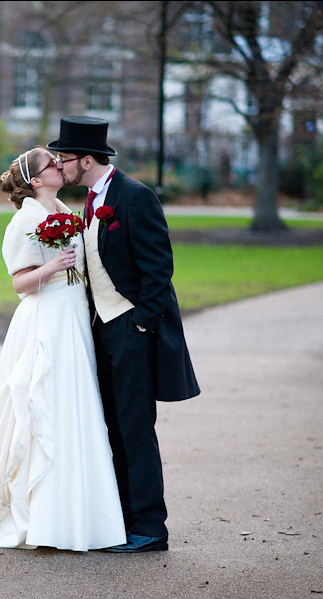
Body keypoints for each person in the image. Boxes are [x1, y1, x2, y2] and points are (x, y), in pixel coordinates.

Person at [48, 116, 201, 553]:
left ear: (88, 160)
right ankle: (120, 522)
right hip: (102, 331)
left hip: (131, 330)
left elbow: (159, 269)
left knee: (135, 430)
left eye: (65, 158)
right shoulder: (90, 202)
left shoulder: (135, 197)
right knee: (110, 429)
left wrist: (140, 324)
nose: (61, 165)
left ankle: (150, 528)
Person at [0, 147, 127, 552]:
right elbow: (21, 283)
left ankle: (83, 517)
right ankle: (44, 518)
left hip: (73, 316)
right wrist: (53, 267)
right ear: (35, 180)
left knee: (76, 409)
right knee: (49, 410)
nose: (60, 165)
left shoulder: (61, 206)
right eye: (51, 164)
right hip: (48, 322)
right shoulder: (25, 219)